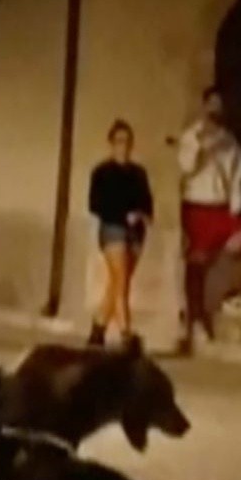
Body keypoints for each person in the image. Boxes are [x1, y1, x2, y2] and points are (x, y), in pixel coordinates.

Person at [177, 86, 241, 347]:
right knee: (196, 263)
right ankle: (195, 319)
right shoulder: (191, 136)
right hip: (196, 204)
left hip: (221, 205)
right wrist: (201, 146)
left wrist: (235, 207)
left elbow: (236, 175)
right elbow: (185, 168)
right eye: (212, 105)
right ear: (204, 106)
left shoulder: (230, 141)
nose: (215, 110)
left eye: (220, 105)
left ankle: (218, 301)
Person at [87, 120, 153, 347]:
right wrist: (123, 212)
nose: (123, 146)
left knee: (118, 283)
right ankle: (126, 334)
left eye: (127, 141)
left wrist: (141, 215)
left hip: (136, 232)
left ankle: (98, 328)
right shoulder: (101, 172)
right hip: (113, 228)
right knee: (121, 281)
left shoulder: (138, 173)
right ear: (111, 143)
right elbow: (95, 205)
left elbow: (147, 201)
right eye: (119, 141)